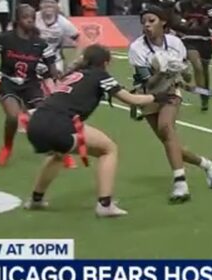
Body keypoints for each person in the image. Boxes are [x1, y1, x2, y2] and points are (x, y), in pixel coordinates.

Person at [24, 44, 175, 217]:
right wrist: (156, 96)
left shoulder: (73, 74)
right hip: (59, 124)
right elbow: (131, 99)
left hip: (36, 123)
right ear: (105, 62)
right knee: (108, 150)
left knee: (57, 155)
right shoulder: (100, 75)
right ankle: (105, 204)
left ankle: (36, 199)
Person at [128, 6, 212, 203]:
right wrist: (162, 70)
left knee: (166, 127)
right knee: (170, 143)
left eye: (151, 20)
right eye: (144, 22)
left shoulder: (176, 42)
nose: (146, 25)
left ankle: (180, 184)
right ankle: (206, 164)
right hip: (148, 95)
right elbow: (148, 83)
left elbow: (186, 74)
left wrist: (182, 69)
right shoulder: (137, 48)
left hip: (171, 91)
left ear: (163, 22)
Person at [0, 4, 61, 167]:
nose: (30, 20)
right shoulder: (4, 39)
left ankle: (57, 149)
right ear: (17, 20)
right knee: (13, 116)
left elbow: (52, 66)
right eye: (25, 17)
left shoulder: (40, 43)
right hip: (8, 82)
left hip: (31, 84)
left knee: (45, 115)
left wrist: (58, 77)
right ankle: (7, 147)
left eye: (32, 17)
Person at [173, 0, 212, 111]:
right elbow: (176, 21)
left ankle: (204, 96)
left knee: (204, 71)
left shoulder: (209, 8)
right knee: (197, 66)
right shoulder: (182, 5)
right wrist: (184, 25)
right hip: (189, 40)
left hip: (205, 41)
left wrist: (210, 27)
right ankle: (185, 70)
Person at [36, 0, 80, 75]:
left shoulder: (64, 23)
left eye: (52, 2)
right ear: (40, 5)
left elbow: (77, 37)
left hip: (55, 60)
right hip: (35, 59)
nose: (49, 5)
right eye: (45, 2)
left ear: (57, 6)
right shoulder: (33, 18)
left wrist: (74, 59)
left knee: (57, 79)